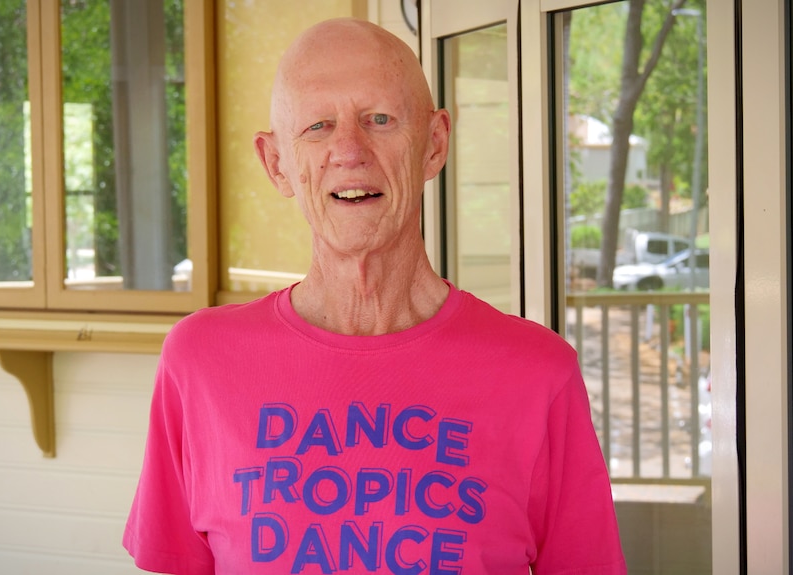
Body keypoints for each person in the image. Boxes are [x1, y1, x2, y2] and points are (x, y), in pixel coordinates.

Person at [123, 17, 626, 575]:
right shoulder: (199, 362)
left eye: (379, 119)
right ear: (276, 163)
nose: (348, 150)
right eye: (317, 126)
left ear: (434, 144)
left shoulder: (538, 375)